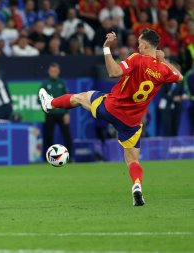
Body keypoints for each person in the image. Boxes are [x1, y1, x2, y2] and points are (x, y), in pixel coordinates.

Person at [39, 29, 183, 206]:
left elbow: (114, 72)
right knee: (133, 160)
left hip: (113, 108)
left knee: (81, 97)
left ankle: (51, 104)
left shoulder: (137, 58)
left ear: (145, 45)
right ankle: (137, 186)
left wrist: (106, 48)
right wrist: (163, 60)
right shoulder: (163, 70)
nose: (137, 45)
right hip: (132, 122)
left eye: (139, 43)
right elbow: (179, 76)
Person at [40, 62, 73, 159]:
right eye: (52, 71)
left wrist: (67, 113)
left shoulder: (62, 83)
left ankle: (69, 157)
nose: (53, 73)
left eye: (55, 71)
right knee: (48, 136)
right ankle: (47, 158)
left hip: (62, 113)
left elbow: (68, 99)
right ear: (49, 72)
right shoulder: (45, 84)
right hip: (50, 114)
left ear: (58, 71)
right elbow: (40, 99)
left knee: (67, 136)